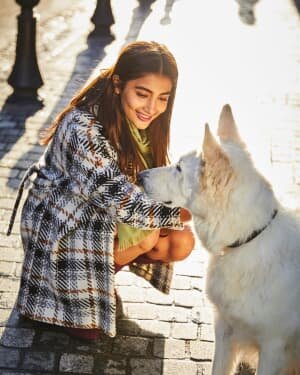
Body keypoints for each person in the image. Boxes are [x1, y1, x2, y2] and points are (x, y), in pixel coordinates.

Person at [7, 41, 195, 341]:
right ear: (119, 84)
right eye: (142, 94)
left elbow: (149, 184)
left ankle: (98, 282)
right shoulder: (83, 128)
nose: (152, 108)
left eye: (162, 98)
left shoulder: (138, 121)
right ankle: (65, 302)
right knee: (150, 231)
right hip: (59, 225)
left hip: (94, 214)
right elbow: (122, 201)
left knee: (179, 240)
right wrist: (191, 210)